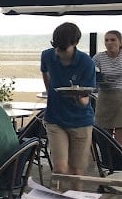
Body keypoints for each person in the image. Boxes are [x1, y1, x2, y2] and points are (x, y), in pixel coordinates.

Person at [41, 22, 96, 175]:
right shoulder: (47, 55)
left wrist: (77, 96)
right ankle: (57, 197)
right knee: (59, 169)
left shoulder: (86, 63)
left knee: (76, 171)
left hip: (81, 120)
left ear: (75, 43)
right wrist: (50, 91)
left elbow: (85, 100)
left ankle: (73, 197)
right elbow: (44, 72)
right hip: (55, 119)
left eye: (63, 49)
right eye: (57, 47)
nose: (59, 52)